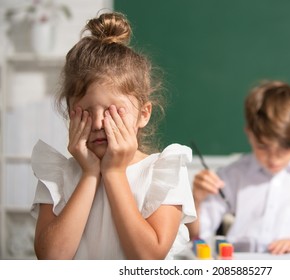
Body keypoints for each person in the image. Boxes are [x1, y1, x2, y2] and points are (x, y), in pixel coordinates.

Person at [30, 12, 196, 260]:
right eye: (85, 111)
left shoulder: (164, 172)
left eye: (112, 112)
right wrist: (88, 174)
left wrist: (114, 173)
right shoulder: (58, 175)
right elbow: (52, 259)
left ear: (143, 114)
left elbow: (148, 260)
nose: (98, 123)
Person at [188, 80, 290, 254]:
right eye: (263, 147)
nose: (274, 159)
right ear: (250, 134)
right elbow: (195, 236)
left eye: (284, 149)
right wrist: (196, 200)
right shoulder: (232, 175)